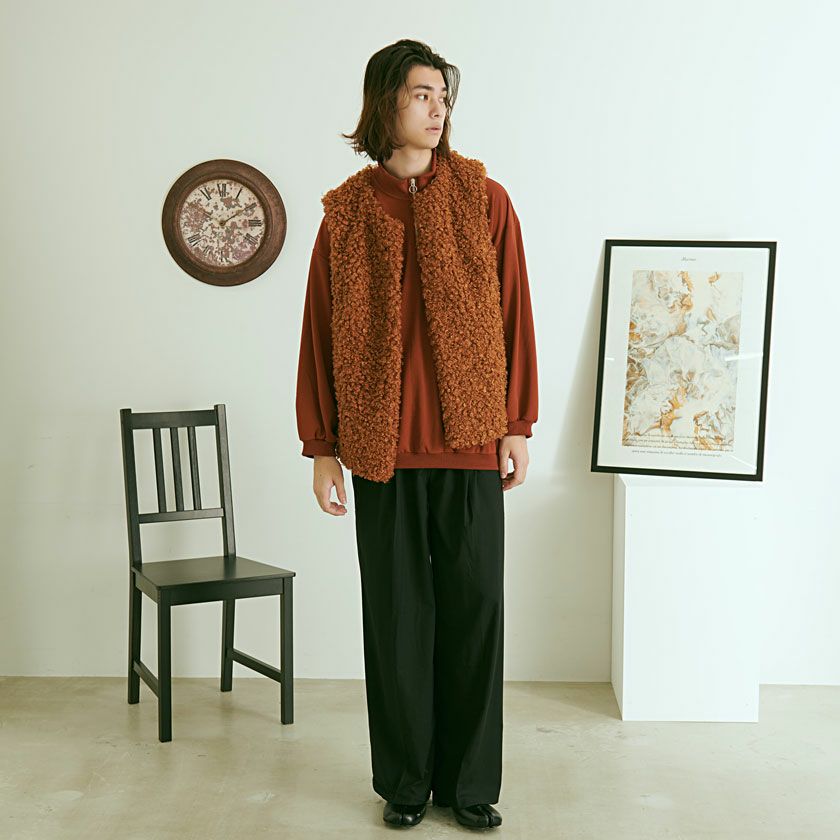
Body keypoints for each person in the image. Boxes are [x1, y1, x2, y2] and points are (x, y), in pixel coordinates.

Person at [295, 38, 538, 829]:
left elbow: (513, 311)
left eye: (443, 95)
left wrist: (517, 424)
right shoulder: (345, 213)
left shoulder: (484, 198)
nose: (438, 109)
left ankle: (469, 786)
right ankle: (404, 783)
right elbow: (320, 333)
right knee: (397, 621)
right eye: (421, 94)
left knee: (475, 618)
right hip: (380, 455)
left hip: (471, 444)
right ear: (385, 104)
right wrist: (321, 447)